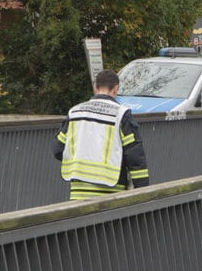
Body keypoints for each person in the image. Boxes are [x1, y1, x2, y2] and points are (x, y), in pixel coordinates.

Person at [53, 69, 150, 200]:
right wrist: (143, 192)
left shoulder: (75, 112)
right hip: (111, 193)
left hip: (78, 194)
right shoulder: (121, 114)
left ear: (95, 87)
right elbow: (135, 156)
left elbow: (58, 149)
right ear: (116, 89)